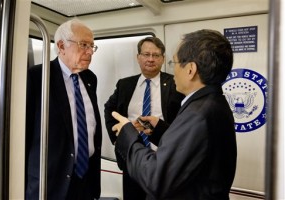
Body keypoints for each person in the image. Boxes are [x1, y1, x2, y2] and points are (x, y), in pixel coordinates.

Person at [111, 29, 237, 200]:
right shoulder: (213, 103)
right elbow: (192, 149)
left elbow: (156, 179)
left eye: (174, 62)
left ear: (191, 69)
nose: (173, 69)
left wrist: (128, 135)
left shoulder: (198, 114)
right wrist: (160, 130)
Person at [25, 18, 102, 200]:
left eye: (92, 46)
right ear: (61, 46)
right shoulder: (37, 77)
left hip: (86, 179)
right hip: (51, 183)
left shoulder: (90, 78)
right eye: (84, 45)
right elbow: (24, 135)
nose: (90, 51)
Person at [104, 36, 184, 200]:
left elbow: (182, 120)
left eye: (156, 55)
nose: (150, 59)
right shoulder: (124, 84)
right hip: (131, 158)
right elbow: (109, 109)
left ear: (162, 59)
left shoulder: (175, 84)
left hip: (163, 159)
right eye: (146, 54)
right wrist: (117, 139)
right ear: (138, 57)